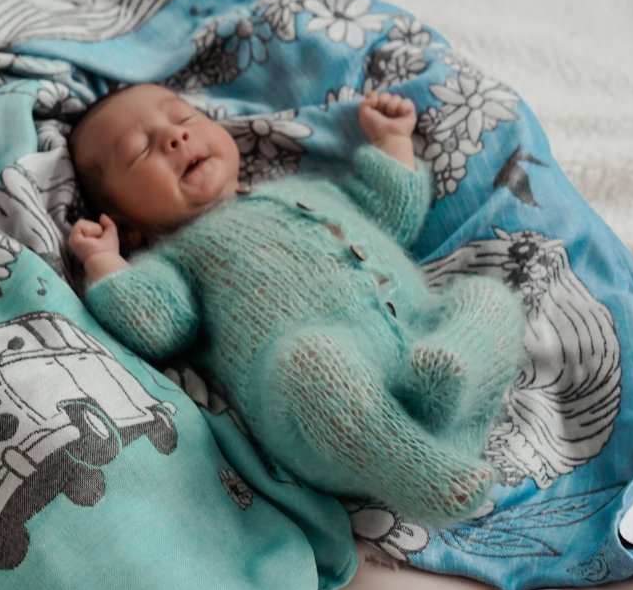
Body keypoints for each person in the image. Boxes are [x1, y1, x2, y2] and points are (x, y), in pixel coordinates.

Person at [67, 83, 524, 525]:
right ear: (126, 223)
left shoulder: (303, 188)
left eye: (184, 117)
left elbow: (390, 213)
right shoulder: (174, 256)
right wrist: (104, 260)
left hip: (422, 343)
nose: (175, 136)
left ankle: (452, 386)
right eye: (141, 150)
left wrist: (392, 140)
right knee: (310, 359)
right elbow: (156, 323)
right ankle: (417, 467)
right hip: (326, 415)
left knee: (486, 299)